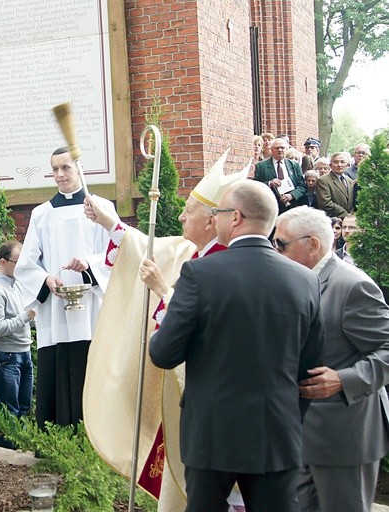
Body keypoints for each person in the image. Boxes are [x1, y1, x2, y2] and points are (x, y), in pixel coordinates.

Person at [83, 151, 250, 510]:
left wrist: (163, 290)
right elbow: (145, 247)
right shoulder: (191, 250)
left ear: (211, 221)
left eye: (188, 210)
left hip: (213, 405)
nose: (180, 215)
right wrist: (109, 222)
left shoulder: (227, 263)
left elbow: (209, 326)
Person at [149, 180, 324, 512]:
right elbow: (310, 368)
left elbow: (163, 353)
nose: (214, 220)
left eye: (218, 213)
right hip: (277, 432)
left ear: (237, 217)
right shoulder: (306, 280)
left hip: (212, 433)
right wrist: (286, 413)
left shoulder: (200, 274)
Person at [274, 206, 389, 512]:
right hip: (298, 435)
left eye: (281, 244)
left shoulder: (352, 285)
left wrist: (343, 379)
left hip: (343, 438)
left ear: (312, 244)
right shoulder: (294, 280)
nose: (275, 251)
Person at [14, 146, 115, 428]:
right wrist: (46, 279)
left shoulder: (101, 208)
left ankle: (96, 434)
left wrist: (89, 264)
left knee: (91, 364)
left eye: (65, 168)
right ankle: (56, 434)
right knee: (57, 366)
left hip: (92, 307)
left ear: (79, 168)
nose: (59, 175)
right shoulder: (42, 214)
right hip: (56, 309)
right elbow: (25, 265)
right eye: (55, 169)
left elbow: (116, 251)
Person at [0, 240, 36, 421]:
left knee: (24, 407)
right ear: (3, 261)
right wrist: (25, 317)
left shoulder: (17, 283)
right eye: (17, 262)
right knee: (9, 411)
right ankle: (7, 448)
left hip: (24, 352)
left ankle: (20, 447)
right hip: (7, 357)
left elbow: (26, 317)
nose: (21, 267)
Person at [254, 137, 307, 212]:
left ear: (286, 149)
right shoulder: (261, 166)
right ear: (272, 149)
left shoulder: (295, 165)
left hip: (291, 207)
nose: (280, 150)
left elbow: (302, 186)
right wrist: (269, 183)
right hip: (270, 207)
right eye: (277, 148)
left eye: (282, 148)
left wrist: (292, 195)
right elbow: (256, 185)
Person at [316, 151, 355, 219]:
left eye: (342, 162)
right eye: (336, 162)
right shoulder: (323, 180)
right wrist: (346, 215)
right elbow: (325, 203)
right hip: (333, 220)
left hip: (349, 220)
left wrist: (351, 215)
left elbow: (352, 201)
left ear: (347, 164)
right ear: (330, 165)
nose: (339, 165)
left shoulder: (349, 181)